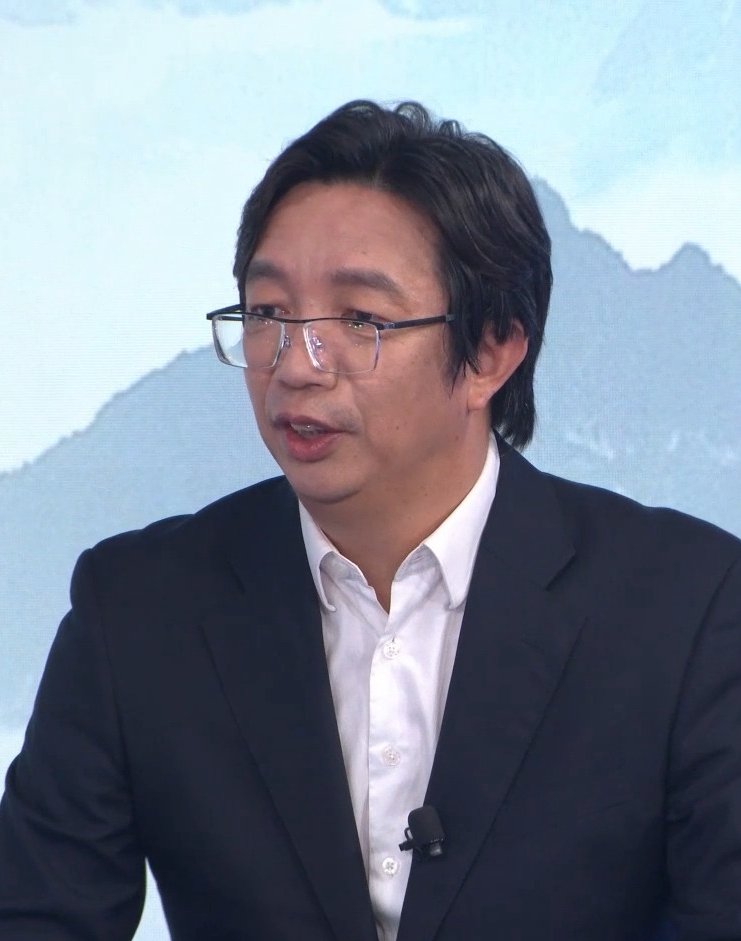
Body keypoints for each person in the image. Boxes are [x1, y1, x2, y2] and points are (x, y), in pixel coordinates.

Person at [1, 100, 740, 941]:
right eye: (269, 314)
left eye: (359, 320)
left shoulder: (687, 607)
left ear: (490, 351)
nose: (297, 364)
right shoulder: (138, 609)